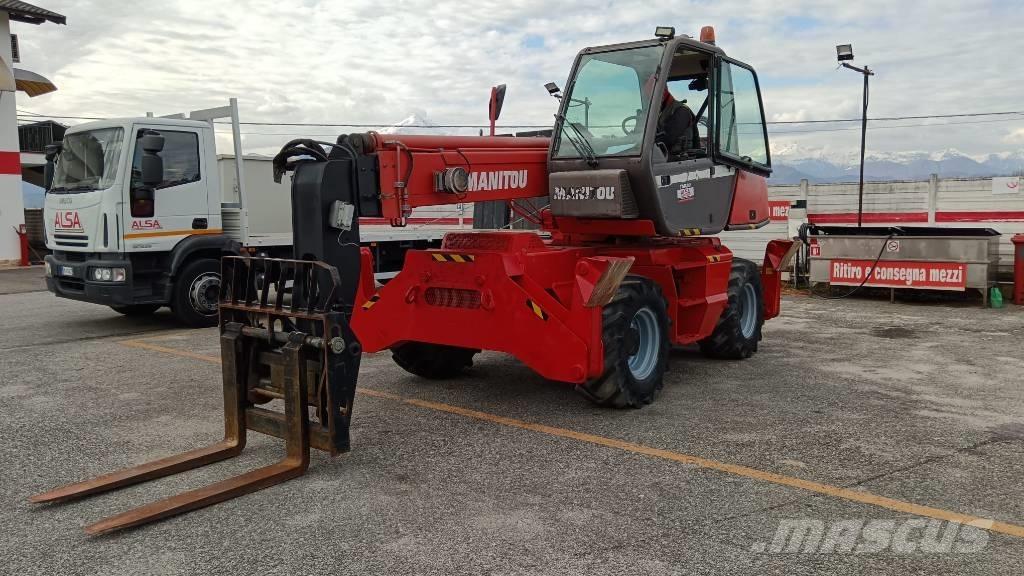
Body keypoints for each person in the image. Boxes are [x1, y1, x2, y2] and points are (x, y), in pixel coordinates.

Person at [655, 89, 699, 160]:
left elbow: (668, 139)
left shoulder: (681, 111)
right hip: (667, 156)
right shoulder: (662, 112)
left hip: (681, 160)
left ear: (662, 92)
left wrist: (646, 145)